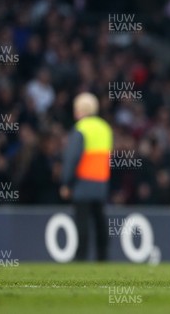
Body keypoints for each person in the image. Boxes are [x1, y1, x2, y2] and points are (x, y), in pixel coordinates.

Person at [61, 93, 113, 261]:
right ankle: (103, 257)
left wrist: (66, 182)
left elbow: (72, 157)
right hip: (101, 182)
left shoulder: (81, 128)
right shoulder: (105, 128)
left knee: (82, 222)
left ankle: (80, 257)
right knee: (99, 221)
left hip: (83, 182)